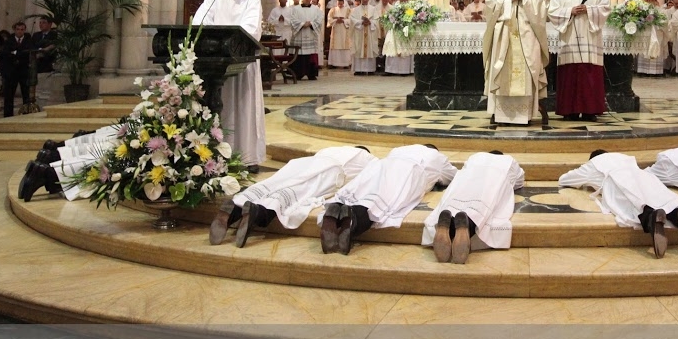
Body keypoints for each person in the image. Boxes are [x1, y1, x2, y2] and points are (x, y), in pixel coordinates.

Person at [211, 145, 377, 247]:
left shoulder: (331, 149)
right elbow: (371, 177)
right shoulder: (368, 158)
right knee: (297, 194)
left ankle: (235, 207)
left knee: (274, 183)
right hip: (330, 171)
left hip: (301, 163)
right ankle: (260, 212)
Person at [192, 0, 266, 170]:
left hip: (241, 61)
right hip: (216, 63)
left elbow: (251, 26)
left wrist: (230, 41)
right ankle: (218, 153)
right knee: (220, 106)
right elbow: (199, 20)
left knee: (243, 108)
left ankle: (247, 156)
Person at [320, 144, 457, 255]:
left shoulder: (398, 149)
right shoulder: (436, 156)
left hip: (380, 166)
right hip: (408, 171)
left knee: (360, 190)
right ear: (434, 150)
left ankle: (336, 207)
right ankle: (353, 218)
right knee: (385, 201)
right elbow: (452, 176)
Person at [559, 150, 678, 258]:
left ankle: (651, 217)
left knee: (634, 204)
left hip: (616, 180)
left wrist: (585, 179)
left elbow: (564, 179)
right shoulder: (623, 157)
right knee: (659, 198)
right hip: (643, 177)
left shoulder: (593, 164)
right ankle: (677, 214)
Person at [482, 0, 550, 126]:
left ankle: (525, 115)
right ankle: (502, 115)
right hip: (505, 36)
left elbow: (544, 7)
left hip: (528, 36)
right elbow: (489, 5)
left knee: (528, 73)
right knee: (503, 72)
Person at [423, 150, 525, 264]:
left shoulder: (475, 157)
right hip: (493, 179)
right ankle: (468, 225)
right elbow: (520, 180)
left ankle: (448, 223)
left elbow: (462, 170)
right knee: (484, 208)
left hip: (467, 179)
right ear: (501, 155)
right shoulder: (508, 160)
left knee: (454, 201)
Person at [548, 0, 611, 121]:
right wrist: (570, 11)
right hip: (569, 41)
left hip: (590, 39)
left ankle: (590, 110)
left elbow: (605, 8)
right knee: (569, 76)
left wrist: (588, 10)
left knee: (589, 74)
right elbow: (552, 11)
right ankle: (570, 111)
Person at [0, 21, 35, 117]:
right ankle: (8, 114)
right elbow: (5, 53)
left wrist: (15, 53)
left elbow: (28, 52)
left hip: (24, 70)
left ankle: (26, 112)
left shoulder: (28, 40)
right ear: (14, 30)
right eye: (18, 29)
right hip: (11, 71)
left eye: (22, 29)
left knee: (26, 94)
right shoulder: (9, 41)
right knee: (9, 94)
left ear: (24, 30)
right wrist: (18, 53)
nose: (20, 31)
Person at [290, 0, 323, 79]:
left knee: (310, 54)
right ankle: (298, 73)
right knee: (299, 55)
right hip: (299, 35)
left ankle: (311, 74)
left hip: (310, 34)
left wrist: (310, 24)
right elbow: (292, 20)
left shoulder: (316, 9)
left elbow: (319, 20)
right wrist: (302, 24)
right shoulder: (295, 9)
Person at [349, 0, 381, 75]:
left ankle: (370, 69)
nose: (365, 0)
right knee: (359, 49)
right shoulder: (356, 10)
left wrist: (370, 22)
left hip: (370, 32)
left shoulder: (373, 9)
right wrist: (361, 22)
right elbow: (352, 20)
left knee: (370, 49)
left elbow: (377, 20)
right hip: (360, 32)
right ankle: (359, 69)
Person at [636, 0, 666, 76]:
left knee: (655, 48)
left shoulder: (660, 11)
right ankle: (643, 70)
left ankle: (655, 71)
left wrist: (657, 22)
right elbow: (639, 21)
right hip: (646, 33)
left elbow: (665, 22)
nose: (650, 2)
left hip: (657, 33)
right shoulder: (643, 11)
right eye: (649, 1)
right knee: (645, 49)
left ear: (656, 1)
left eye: (652, 0)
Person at [325, 0, 352, 70]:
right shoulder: (333, 10)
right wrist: (336, 20)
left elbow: (350, 19)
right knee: (335, 45)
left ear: (343, 3)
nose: (340, 5)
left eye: (341, 3)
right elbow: (329, 19)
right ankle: (334, 63)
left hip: (344, 30)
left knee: (345, 46)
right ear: (337, 3)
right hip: (336, 29)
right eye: (338, 4)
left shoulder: (348, 10)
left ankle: (346, 63)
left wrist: (343, 20)